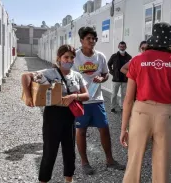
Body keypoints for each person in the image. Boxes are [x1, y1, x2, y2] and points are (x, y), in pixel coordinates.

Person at [120, 22, 171, 183]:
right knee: (162, 164)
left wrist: (124, 128)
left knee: (134, 160)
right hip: (166, 114)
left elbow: (128, 99)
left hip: (141, 112)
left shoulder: (138, 60)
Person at [21, 45, 90, 183]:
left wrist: (73, 96)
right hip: (52, 115)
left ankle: (68, 180)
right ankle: (43, 180)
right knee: (50, 151)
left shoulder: (76, 75)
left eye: (71, 57)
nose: (69, 60)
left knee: (69, 151)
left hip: (69, 116)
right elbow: (25, 76)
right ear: (59, 58)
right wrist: (28, 96)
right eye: (66, 57)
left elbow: (86, 95)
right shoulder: (49, 73)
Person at [73, 27, 125, 175]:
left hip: (97, 99)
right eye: (88, 38)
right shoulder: (75, 56)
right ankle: (84, 163)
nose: (91, 41)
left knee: (104, 129)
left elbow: (106, 74)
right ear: (81, 40)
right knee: (81, 130)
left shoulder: (100, 56)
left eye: (94, 38)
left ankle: (110, 160)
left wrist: (102, 78)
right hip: (80, 100)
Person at [108, 41, 132, 113]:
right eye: (121, 46)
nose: (122, 48)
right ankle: (113, 107)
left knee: (123, 95)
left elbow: (131, 67)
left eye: (123, 46)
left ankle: (122, 107)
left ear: (125, 47)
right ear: (118, 47)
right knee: (114, 94)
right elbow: (109, 64)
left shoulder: (129, 57)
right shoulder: (114, 56)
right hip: (116, 79)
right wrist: (112, 72)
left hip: (125, 79)